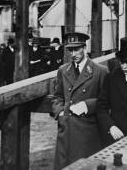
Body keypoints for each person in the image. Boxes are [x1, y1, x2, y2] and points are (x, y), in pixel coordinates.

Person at [51, 32, 107, 170]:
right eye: (70, 50)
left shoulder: (100, 71)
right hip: (67, 128)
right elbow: (57, 97)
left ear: (84, 48)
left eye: (77, 49)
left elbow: (106, 101)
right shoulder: (63, 70)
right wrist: (60, 112)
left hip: (87, 129)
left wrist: (87, 105)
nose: (73, 53)